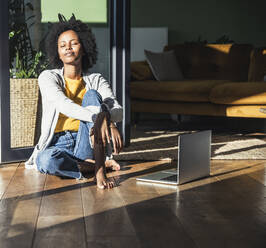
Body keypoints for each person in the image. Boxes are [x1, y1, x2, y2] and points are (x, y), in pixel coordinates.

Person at [25, 14, 123, 189]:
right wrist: (98, 118)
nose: (68, 48)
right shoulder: (48, 77)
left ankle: (99, 171)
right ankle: (95, 165)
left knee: (92, 95)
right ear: (58, 53)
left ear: (84, 48)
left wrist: (106, 116)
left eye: (74, 43)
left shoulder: (96, 79)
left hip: (85, 139)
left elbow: (118, 110)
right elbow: (64, 105)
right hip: (57, 144)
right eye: (62, 45)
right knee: (45, 160)